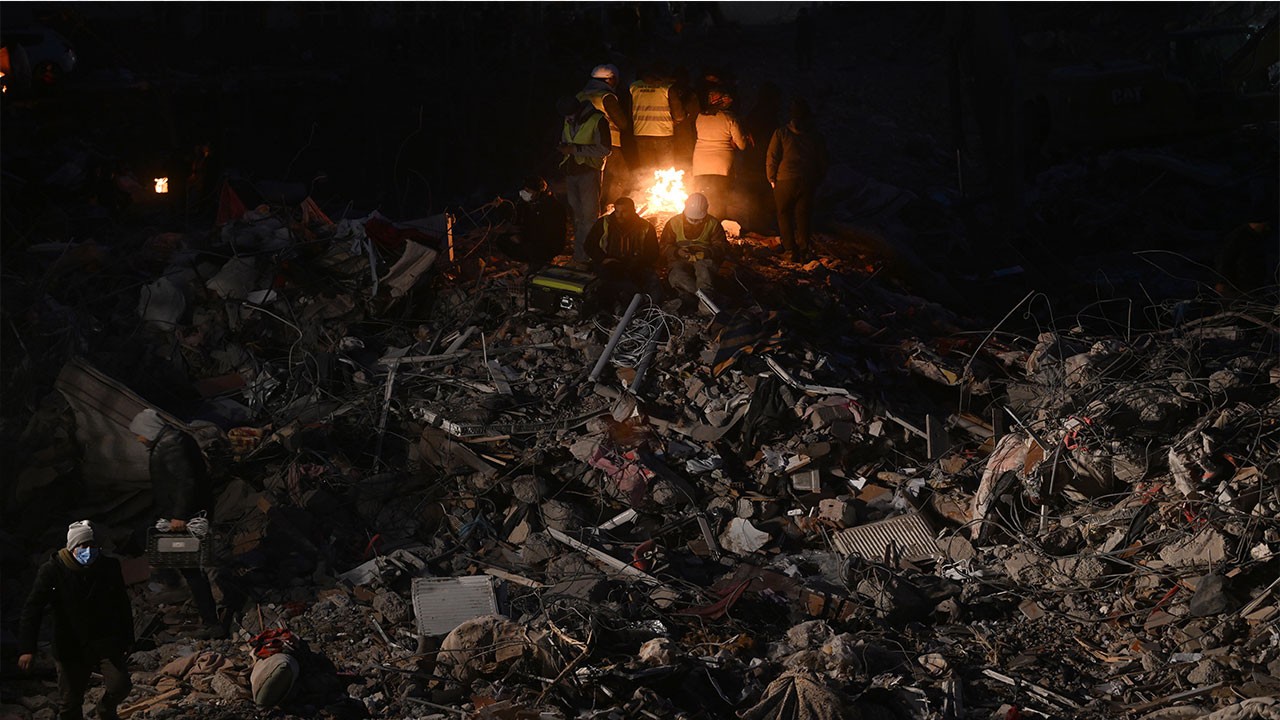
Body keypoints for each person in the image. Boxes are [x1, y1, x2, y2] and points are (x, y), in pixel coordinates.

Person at [18, 520, 134, 720]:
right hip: (70, 644)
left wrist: (127, 638)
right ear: (72, 547)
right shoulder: (52, 570)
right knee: (70, 701)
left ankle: (105, 710)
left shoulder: (108, 567)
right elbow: (33, 609)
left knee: (120, 684)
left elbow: (121, 604)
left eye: (92, 546)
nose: (88, 551)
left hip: (103, 640)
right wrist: (27, 648)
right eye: (83, 546)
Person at [129, 409, 226, 640]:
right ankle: (172, 582)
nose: (139, 439)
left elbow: (186, 481)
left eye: (139, 434)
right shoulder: (172, 440)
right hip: (179, 514)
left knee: (191, 569)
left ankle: (211, 622)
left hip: (185, 518)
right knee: (181, 562)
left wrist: (180, 515)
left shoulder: (171, 445)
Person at [766, 98, 828, 262]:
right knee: (803, 215)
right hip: (807, 180)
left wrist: (771, 177)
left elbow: (772, 156)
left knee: (783, 214)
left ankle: (789, 250)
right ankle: (804, 249)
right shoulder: (815, 135)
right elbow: (823, 161)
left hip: (785, 179)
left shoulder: (781, 133)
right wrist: (818, 180)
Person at [557, 96, 613, 264]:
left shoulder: (597, 120)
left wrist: (575, 149)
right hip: (571, 172)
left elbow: (605, 149)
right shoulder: (568, 119)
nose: (567, 119)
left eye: (569, 116)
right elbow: (566, 140)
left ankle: (589, 256)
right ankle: (579, 254)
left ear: (578, 111)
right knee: (578, 217)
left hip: (589, 171)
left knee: (589, 216)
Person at [583, 196, 661, 303]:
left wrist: (638, 262)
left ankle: (651, 307)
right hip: (608, 264)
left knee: (653, 280)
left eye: (624, 212)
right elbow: (589, 245)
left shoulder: (646, 227)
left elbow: (653, 252)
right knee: (606, 284)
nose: (620, 216)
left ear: (633, 211)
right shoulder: (604, 223)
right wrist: (603, 259)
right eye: (617, 211)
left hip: (636, 266)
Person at [578, 64, 630, 214]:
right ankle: (609, 209)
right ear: (611, 80)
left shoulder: (580, 95)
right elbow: (622, 123)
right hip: (609, 144)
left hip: (583, 144)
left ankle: (589, 210)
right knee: (620, 175)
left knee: (591, 179)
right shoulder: (606, 97)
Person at [692, 88, 749, 221]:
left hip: (700, 165)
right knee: (719, 201)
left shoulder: (700, 117)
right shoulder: (729, 118)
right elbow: (742, 145)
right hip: (721, 166)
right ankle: (717, 228)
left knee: (702, 200)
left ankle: (700, 227)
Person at [662, 192, 726, 297]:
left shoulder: (713, 224)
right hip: (680, 260)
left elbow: (722, 246)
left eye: (699, 219)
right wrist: (677, 252)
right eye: (691, 219)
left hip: (704, 260)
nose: (695, 222)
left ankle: (705, 309)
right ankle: (695, 298)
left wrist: (707, 252)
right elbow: (663, 246)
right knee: (677, 276)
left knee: (704, 274)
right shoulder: (674, 223)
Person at [494, 176, 567, 269]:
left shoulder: (553, 208)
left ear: (538, 192)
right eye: (524, 190)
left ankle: (538, 262)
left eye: (528, 190)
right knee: (502, 240)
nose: (524, 193)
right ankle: (529, 260)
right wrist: (501, 206)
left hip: (548, 245)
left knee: (527, 248)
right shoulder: (531, 203)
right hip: (532, 238)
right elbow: (516, 216)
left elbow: (546, 233)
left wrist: (522, 237)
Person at [630, 62, 685, 170]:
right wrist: (684, 115)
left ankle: (645, 187)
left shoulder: (634, 86)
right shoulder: (667, 88)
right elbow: (679, 116)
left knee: (647, 172)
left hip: (641, 133)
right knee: (666, 171)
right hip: (663, 134)